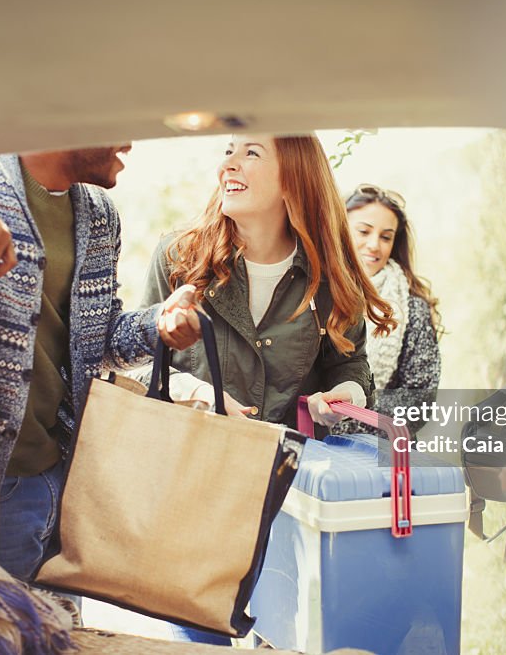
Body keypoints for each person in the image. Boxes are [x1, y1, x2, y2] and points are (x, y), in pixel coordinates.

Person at [139, 134, 396, 644]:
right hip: (193, 494)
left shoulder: (329, 273)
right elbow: (142, 359)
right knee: (197, 641)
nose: (228, 164)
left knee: (286, 637)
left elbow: (353, 364)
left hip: (286, 498)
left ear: (294, 178)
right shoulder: (178, 255)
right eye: (228, 150)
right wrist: (199, 396)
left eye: (250, 153)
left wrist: (343, 395)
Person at [0, 146, 201, 585]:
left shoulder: (99, 214)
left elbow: (98, 339)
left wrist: (158, 326)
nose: (129, 142)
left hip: (64, 478)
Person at [330, 183, 442, 437]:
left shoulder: (412, 306)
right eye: (364, 231)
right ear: (339, 230)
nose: (374, 245)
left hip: (378, 454)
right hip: (304, 450)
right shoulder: (310, 291)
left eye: (385, 236)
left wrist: (341, 417)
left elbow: (419, 398)